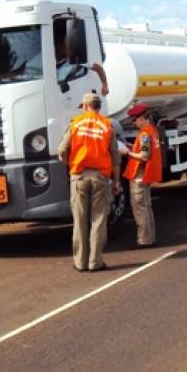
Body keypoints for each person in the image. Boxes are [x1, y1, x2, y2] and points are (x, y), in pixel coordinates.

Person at [58, 93, 121, 271]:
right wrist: (116, 181)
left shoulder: (75, 124)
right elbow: (115, 157)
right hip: (101, 177)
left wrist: (71, 163)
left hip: (78, 177)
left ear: (85, 106)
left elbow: (62, 150)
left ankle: (80, 262)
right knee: (98, 219)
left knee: (80, 220)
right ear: (98, 106)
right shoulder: (108, 126)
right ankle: (95, 261)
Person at [123, 102, 162, 248]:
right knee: (147, 207)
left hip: (139, 177)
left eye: (135, 120)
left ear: (142, 118)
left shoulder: (145, 134)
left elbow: (144, 156)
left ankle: (144, 241)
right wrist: (130, 146)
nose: (134, 123)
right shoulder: (151, 130)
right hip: (145, 175)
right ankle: (151, 238)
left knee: (140, 209)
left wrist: (127, 153)